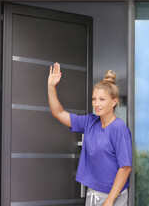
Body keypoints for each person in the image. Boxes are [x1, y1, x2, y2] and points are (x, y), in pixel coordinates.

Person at [47, 62, 132, 206]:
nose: (96, 104)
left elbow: (125, 168)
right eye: (94, 99)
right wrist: (51, 86)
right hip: (93, 193)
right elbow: (58, 113)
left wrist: (110, 201)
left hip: (113, 196)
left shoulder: (119, 129)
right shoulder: (89, 122)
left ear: (114, 101)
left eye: (102, 99)